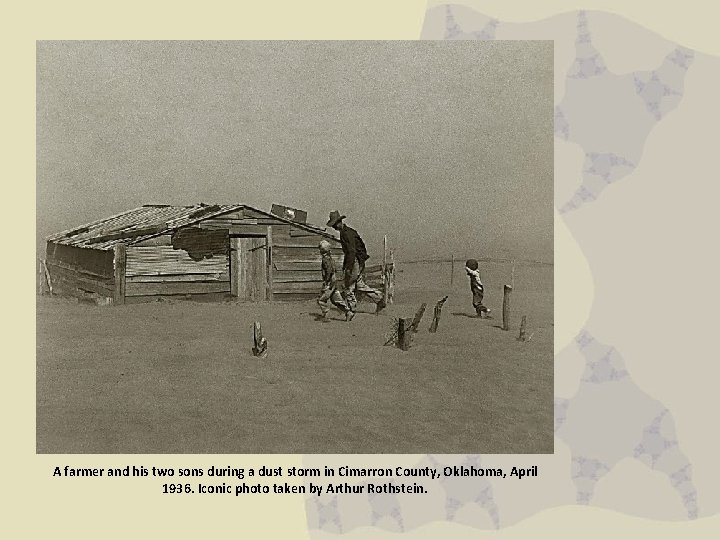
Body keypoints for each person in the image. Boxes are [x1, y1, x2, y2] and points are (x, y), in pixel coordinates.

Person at [326, 210, 386, 316]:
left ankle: (351, 309)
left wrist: (348, 268)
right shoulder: (347, 232)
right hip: (358, 261)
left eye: (334, 225)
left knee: (348, 286)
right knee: (359, 285)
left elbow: (351, 251)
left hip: (355, 262)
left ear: (339, 223)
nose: (334, 227)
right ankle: (379, 299)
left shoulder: (346, 234)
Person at [316, 239, 353, 322]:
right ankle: (348, 312)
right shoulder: (330, 258)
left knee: (321, 300)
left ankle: (325, 315)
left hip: (330, 282)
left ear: (322, 250)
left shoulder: (325, 259)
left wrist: (327, 282)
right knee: (336, 300)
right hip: (334, 281)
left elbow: (329, 270)